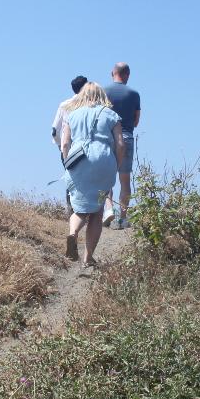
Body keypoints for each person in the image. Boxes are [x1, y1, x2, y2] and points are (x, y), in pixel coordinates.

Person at [60, 82, 125, 269]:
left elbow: (65, 144)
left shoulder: (72, 115)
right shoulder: (111, 115)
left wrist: (68, 163)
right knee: (96, 211)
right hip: (104, 159)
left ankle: (73, 233)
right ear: (101, 95)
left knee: (79, 208)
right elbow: (120, 144)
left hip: (79, 159)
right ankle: (88, 258)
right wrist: (116, 164)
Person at [102, 62, 141, 229]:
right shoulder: (134, 94)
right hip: (126, 138)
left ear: (113, 73)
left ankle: (108, 209)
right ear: (127, 75)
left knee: (105, 178)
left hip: (106, 137)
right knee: (125, 180)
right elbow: (136, 121)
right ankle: (123, 218)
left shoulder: (103, 92)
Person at [51, 75, 89, 216]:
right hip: (85, 147)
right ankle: (87, 210)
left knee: (71, 177)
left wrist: (60, 145)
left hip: (67, 147)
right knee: (87, 177)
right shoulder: (89, 105)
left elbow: (54, 131)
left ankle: (71, 209)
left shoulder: (64, 105)